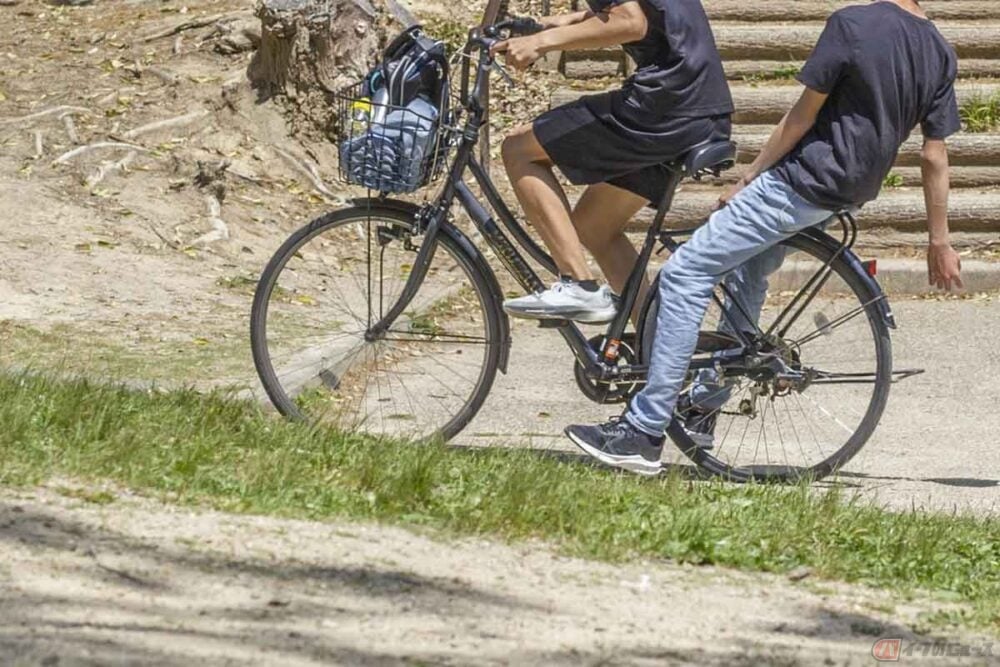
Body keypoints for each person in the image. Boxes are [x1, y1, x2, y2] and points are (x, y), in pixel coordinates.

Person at [565, 0, 965, 475]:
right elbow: (934, 156)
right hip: (846, 192)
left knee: (684, 274)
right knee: (748, 275)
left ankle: (643, 431)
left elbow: (800, 118)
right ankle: (701, 408)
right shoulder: (938, 49)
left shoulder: (853, 24)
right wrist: (939, 241)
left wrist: (750, 176)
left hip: (801, 181)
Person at [493, 0, 733, 323]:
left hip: (666, 107)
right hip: (698, 106)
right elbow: (632, 10)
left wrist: (541, 42)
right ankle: (658, 346)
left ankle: (578, 284)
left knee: (519, 150)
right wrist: (551, 25)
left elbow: (630, 21)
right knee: (596, 227)